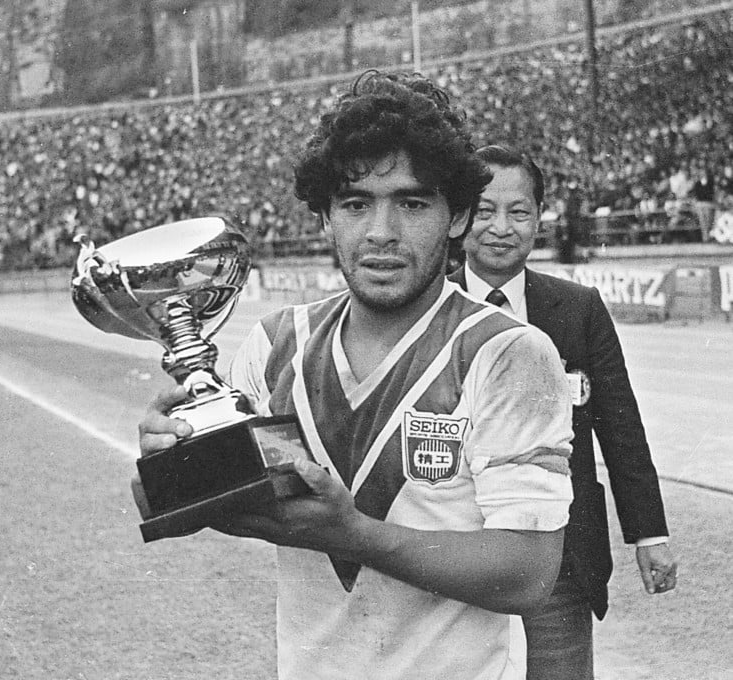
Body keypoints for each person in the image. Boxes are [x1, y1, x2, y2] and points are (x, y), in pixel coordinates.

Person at [139, 71, 575, 680]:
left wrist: (353, 534)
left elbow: (528, 572)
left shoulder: (510, 353)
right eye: (355, 203)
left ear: (458, 218)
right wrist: (173, 459)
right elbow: (200, 506)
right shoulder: (274, 344)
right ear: (325, 217)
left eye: (413, 202)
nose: (380, 232)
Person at [448, 144, 677, 680]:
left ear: (539, 219)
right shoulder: (428, 306)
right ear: (459, 219)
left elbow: (620, 426)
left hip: (559, 558)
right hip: (453, 556)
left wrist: (649, 534)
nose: (501, 227)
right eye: (484, 211)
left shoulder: (578, 309)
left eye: (519, 211)